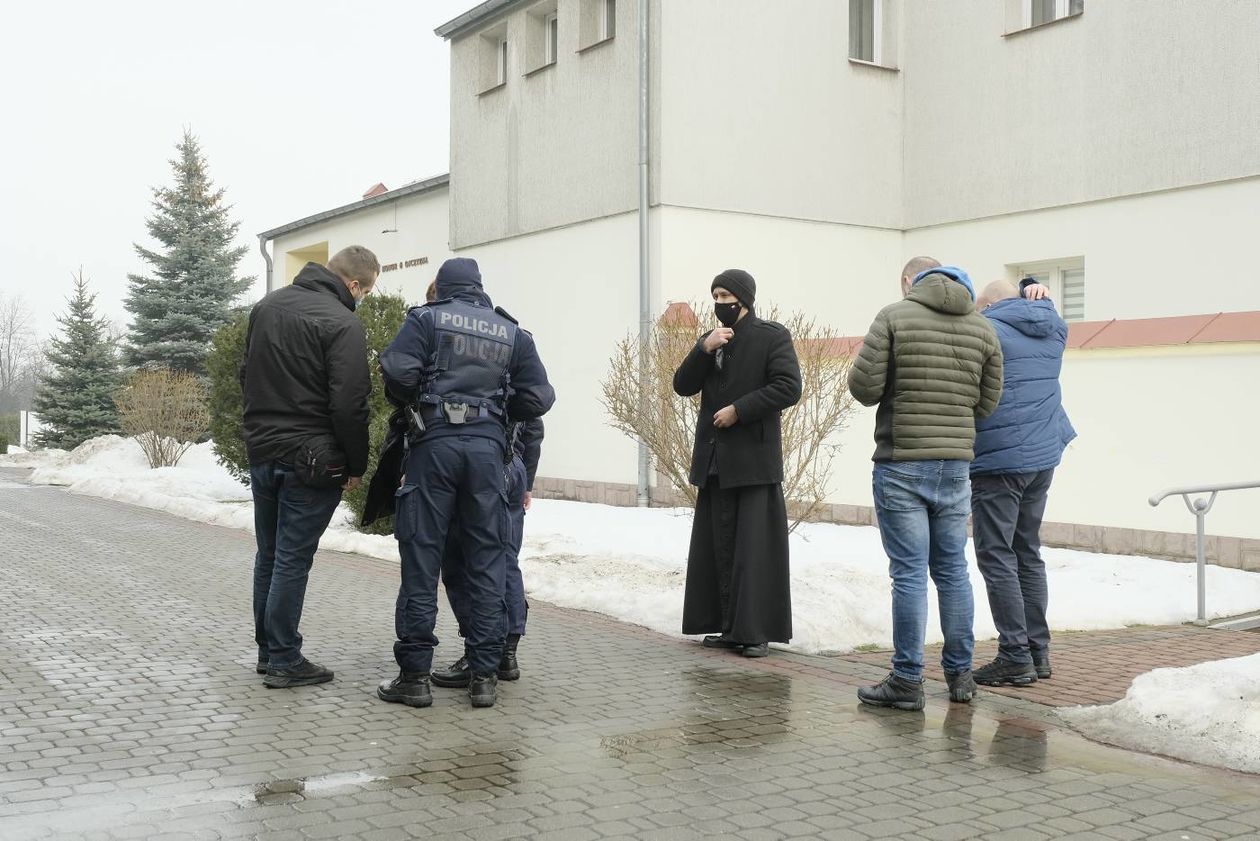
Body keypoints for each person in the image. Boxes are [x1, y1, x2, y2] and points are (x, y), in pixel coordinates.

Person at [376, 257, 554, 709]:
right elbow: (539, 397)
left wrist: (419, 397)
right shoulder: (511, 332)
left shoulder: (425, 319)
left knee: (422, 559)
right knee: (488, 560)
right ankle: (484, 677)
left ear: (445, 287)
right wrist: (497, 413)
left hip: (433, 446)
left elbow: (397, 373)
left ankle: (414, 678)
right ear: (478, 287)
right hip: (487, 453)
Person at [848, 257, 1003, 711]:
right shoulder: (982, 328)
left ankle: (908, 680)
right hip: (955, 465)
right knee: (953, 570)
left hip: (902, 462)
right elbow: (988, 402)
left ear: (911, 282)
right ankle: (960, 678)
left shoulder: (894, 316)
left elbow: (864, 388)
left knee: (910, 573)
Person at [241, 245, 379, 688]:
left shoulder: (266, 307)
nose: (363, 298)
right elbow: (350, 404)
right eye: (367, 290)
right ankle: (284, 658)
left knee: (270, 554)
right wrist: (356, 463)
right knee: (292, 559)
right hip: (313, 460)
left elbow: (247, 374)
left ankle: (268, 651)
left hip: (264, 451)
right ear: (354, 284)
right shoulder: (343, 322)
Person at [673, 269, 802, 658]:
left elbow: (788, 386)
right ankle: (729, 628)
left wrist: (739, 410)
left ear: (744, 298)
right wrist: (702, 348)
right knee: (720, 546)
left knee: (753, 550)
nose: (720, 303)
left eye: (726, 295)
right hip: (715, 460)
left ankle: (756, 631)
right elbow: (682, 385)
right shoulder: (712, 341)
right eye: (715, 295)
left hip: (752, 459)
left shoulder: (771, 336)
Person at [969, 278, 1076, 686]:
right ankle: (1037, 652)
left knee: (996, 555)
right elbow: (1042, 309)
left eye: (981, 307)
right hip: (1041, 458)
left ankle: (1014, 655)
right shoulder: (1055, 328)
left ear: (991, 306)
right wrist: (1034, 287)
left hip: (999, 460)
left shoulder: (988, 330)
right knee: (1026, 551)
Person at [432, 417, 543, 687]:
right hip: (511, 464)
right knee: (504, 559)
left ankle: (479, 654)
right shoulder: (515, 373)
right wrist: (525, 477)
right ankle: (506, 654)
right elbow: (533, 424)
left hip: (481, 462)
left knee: (463, 562)